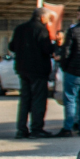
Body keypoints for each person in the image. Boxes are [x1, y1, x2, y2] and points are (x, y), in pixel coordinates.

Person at [9, 8, 56, 139]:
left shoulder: (20, 29)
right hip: (38, 70)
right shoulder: (41, 29)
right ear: (42, 18)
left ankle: (21, 129)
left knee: (25, 99)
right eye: (47, 18)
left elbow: (12, 46)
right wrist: (56, 45)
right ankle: (37, 128)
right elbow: (46, 49)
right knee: (38, 100)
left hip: (22, 69)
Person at [55, 9, 80, 136]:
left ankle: (68, 127)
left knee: (70, 99)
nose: (77, 16)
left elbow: (66, 51)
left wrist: (64, 66)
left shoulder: (74, 30)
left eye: (78, 14)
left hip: (73, 70)